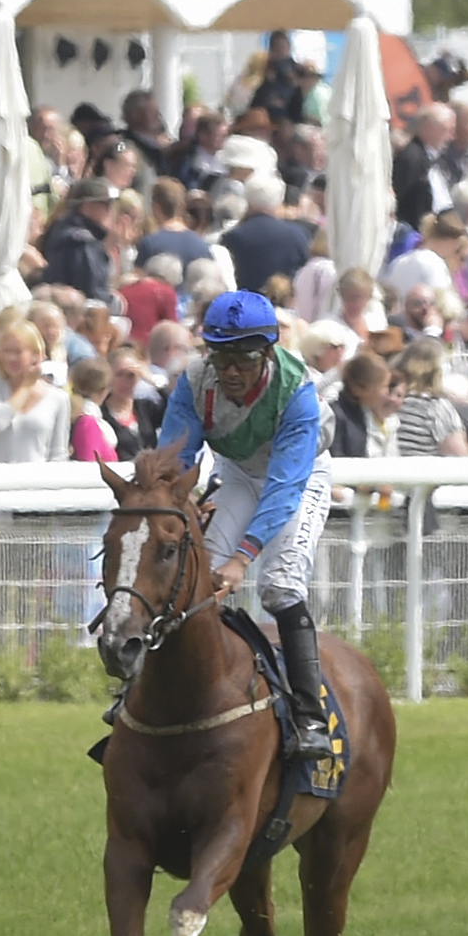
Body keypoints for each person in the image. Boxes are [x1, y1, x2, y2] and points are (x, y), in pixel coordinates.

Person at [149, 287, 341, 837]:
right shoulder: (193, 381)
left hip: (299, 479)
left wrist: (243, 558)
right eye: (221, 358)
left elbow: (283, 486)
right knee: (196, 580)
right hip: (236, 476)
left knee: (278, 584)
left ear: (268, 353)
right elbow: (177, 456)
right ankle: (162, 694)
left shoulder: (297, 392)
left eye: (243, 360)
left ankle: (307, 717)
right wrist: (178, 504)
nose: (230, 372)